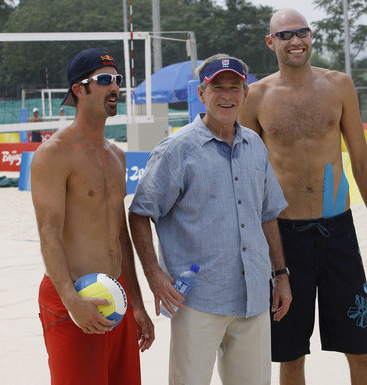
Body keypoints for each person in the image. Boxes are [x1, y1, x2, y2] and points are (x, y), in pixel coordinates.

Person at [238, 9, 367, 385]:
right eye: (286, 35)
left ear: (312, 36)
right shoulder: (256, 97)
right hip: (285, 238)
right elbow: (243, 177)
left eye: (302, 33)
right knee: (290, 356)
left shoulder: (339, 85)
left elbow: (360, 160)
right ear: (270, 41)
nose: (296, 41)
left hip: (338, 231)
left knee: (362, 349)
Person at [129, 53, 292, 385]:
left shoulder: (255, 146)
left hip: (254, 295)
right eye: (217, 87)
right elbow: (140, 213)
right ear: (201, 94)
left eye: (235, 87)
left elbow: (268, 214)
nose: (227, 95)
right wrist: (155, 276)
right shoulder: (175, 149)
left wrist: (281, 275)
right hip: (198, 299)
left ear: (246, 95)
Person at [31, 48, 154, 385]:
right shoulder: (53, 154)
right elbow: (48, 232)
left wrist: (137, 304)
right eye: (103, 81)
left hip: (117, 295)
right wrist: (72, 300)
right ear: (79, 89)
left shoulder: (116, 155)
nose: (114, 88)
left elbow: (119, 235)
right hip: (72, 296)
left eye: (117, 80)